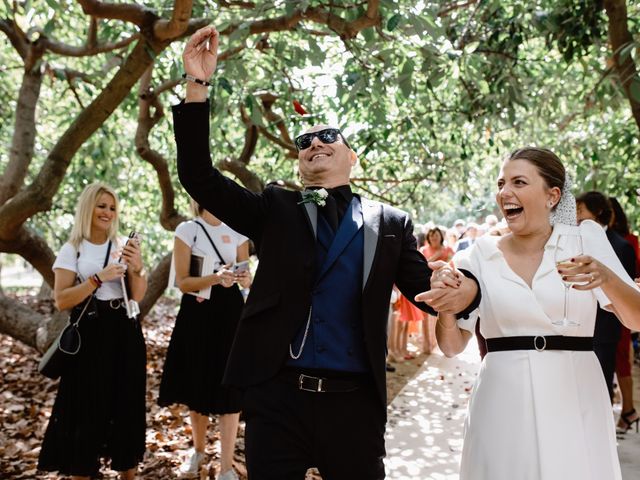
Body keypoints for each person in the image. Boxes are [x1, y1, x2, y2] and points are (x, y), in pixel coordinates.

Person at [172, 26, 481, 480]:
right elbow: (198, 176)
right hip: (276, 396)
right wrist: (197, 86)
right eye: (305, 142)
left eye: (327, 136)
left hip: (354, 401)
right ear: (299, 162)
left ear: (351, 156)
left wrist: (459, 288)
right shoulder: (274, 207)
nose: (314, 143)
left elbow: (426, 291)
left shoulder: (391, 222)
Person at [422, 148, 640, 479]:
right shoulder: (478, 256)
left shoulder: (584, 240)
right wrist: (446, 310)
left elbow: (635, 320)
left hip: (574, 393)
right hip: (501, 398)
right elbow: (452, 347)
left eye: (519, 182)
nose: (504, 193)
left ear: (552, 195)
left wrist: (607, 279)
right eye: (501, 183)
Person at [38, 183, 147, 480]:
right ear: (88, 208)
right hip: (90, 334)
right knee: (87, 411)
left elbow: (136, 296)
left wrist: (136, 268)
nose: (107, 213)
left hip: (124, 332)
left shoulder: (123, 245)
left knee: (127, 407)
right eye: (101, 206)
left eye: (112, 208)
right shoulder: (72, 249)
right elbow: (61, 300)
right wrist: (97, 279)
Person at [158, 200, 251, 480]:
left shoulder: (238, 230)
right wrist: (214, 277)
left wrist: (244, 278)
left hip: (231, 313)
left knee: (230, 387)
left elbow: (247, 279)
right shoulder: (188, 230)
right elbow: (183, 282)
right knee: (196, 381)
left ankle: (225, 468)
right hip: (197, 313)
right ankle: (198, 452)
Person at [575, 191, 636, 402]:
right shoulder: (572, 240)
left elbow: (627, 289)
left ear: (598, 211)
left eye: (581, 210)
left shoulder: (621, 246)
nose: (577, 216)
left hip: (606, 327)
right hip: (578, 328)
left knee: (602, 384)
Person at [608, 196, 640, 433]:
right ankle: (626, 409)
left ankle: (628, 410)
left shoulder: (626, 242)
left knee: (622, 360)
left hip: (622, 306)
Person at [420, 227, 454, 354]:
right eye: (432, 235)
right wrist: (437, 255)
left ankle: (440, 344)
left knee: (441, 316)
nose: (434, 238)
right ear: (428, 238)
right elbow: (422, 266)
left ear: (441, 237)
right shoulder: (423, 250)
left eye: (436, 235)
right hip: (426, 286)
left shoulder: (448, 250)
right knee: (425, 317)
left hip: (444, 287)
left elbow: (453, 264)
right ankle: (426, 344)